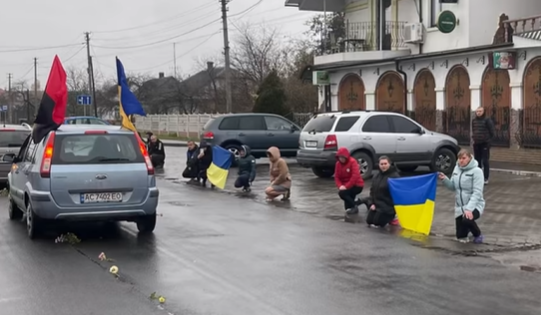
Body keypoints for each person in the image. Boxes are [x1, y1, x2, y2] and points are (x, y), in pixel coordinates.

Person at [439, 149, 485, 244]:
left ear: (469, 158)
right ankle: (466, 229)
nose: (461, 161)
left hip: (475, 205)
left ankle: (478, 234)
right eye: (459, 158)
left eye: (464, 158)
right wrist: (445, 179)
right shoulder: (456, 169)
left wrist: (469, 209)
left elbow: (477, 193)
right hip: (460, 207)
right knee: (460, 237)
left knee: (467, 220)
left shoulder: (477, 171)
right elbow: (453, 187)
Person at [365, 156, 399, 228]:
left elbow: (398, 195)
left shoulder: (395, 177)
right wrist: (372, 203)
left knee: (377, 223)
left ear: (389, 164)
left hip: (387, 207)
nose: (383, 166)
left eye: (385, 164)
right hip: (377, 205)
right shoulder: (376, 176)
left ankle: (392, 217)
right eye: (381, 164)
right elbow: (372, 191)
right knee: (369, 221)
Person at [334, 147, 364, 215]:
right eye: (339, 157)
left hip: (357, 185)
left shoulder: (353, 162)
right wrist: (340, 186)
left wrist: (346, 187)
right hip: (345, 186)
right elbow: (337, 177)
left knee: (342, 193)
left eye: (342, 157)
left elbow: (355, 176)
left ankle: (355, 205)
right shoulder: (338, 164)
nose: (341, 159)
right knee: (347, 208)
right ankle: (361, 201)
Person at [471, 106, 495, 184]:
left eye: (480, 111)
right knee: (477, 161)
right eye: (477, 111)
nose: (478, 113)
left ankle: (485, 178)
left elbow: (492, 132)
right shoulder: (474, 121)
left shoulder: (487, 120)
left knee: (485, 161)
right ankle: (478, 177)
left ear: (483, 112)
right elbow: (473, 130)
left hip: (485, 143)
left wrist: (488, 141)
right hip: (476, 143)